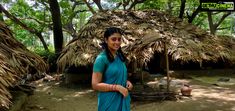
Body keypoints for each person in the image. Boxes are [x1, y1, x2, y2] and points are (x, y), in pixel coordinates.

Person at [92, 27, 133, 111]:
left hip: (123, 98)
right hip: (109, 102)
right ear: (106, 40)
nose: (117, 42)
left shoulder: (120, 57)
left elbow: (117, 76)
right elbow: (95, 85)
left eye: (119, 39)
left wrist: (126, 82)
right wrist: (117, 87)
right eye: (113, 39)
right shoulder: (101, 59)